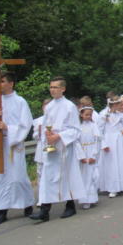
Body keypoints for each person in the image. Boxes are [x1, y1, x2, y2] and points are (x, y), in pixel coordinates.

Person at [29, 76, 86, 222]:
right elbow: (45, 127)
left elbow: (76, 130)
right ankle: (44, 210)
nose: (52, 90)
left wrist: (59, 136)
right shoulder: (49, 107)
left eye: (55, 87)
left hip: (65, 147)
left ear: (63, 89)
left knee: (67, 176)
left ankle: (70, 205)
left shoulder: (69, 107)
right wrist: (47, 137)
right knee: (47, 177)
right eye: (51, 87)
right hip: (51, 147)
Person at [0, 71, 35, 226]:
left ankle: (27, 205)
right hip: (0, 145)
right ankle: (1, 210)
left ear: (11, 83)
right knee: (0, 177)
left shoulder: (20, 101)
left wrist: (7, 128)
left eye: (2, 81)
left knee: (18, 176)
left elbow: (26, 124)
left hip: (14, 145)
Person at [98, 96, 123, 198]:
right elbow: (99, 130)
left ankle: (121, 185)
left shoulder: (121, 115)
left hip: (119, 140)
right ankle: (111, 186)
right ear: (113, 105)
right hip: (109, 140)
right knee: (111, 164)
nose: (121, 106)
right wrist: (103, 143)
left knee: (120, 162)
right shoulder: (103, 115)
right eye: (119, 105)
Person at [76, 106, 101, 209]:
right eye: (86, 114)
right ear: (81, 115)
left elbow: (97, 140)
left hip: (91, 151)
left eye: (90, 114)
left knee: (93, 175)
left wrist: (94, 155)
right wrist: (81, 156)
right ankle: (85, 199)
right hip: (83, 151)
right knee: (84, 177)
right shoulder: (78, 127)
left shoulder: (93, 126)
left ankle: (92, 197)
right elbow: (76, 143)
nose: (88, 116)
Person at [32, 99, 51, 189]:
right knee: (40, 170)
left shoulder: (55, 119)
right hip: (41, 147)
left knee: (51, 171)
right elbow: (34, 135)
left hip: (51, 146)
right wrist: (38, 133)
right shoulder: (38, 121)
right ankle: (41, 195)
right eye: (45, 106)